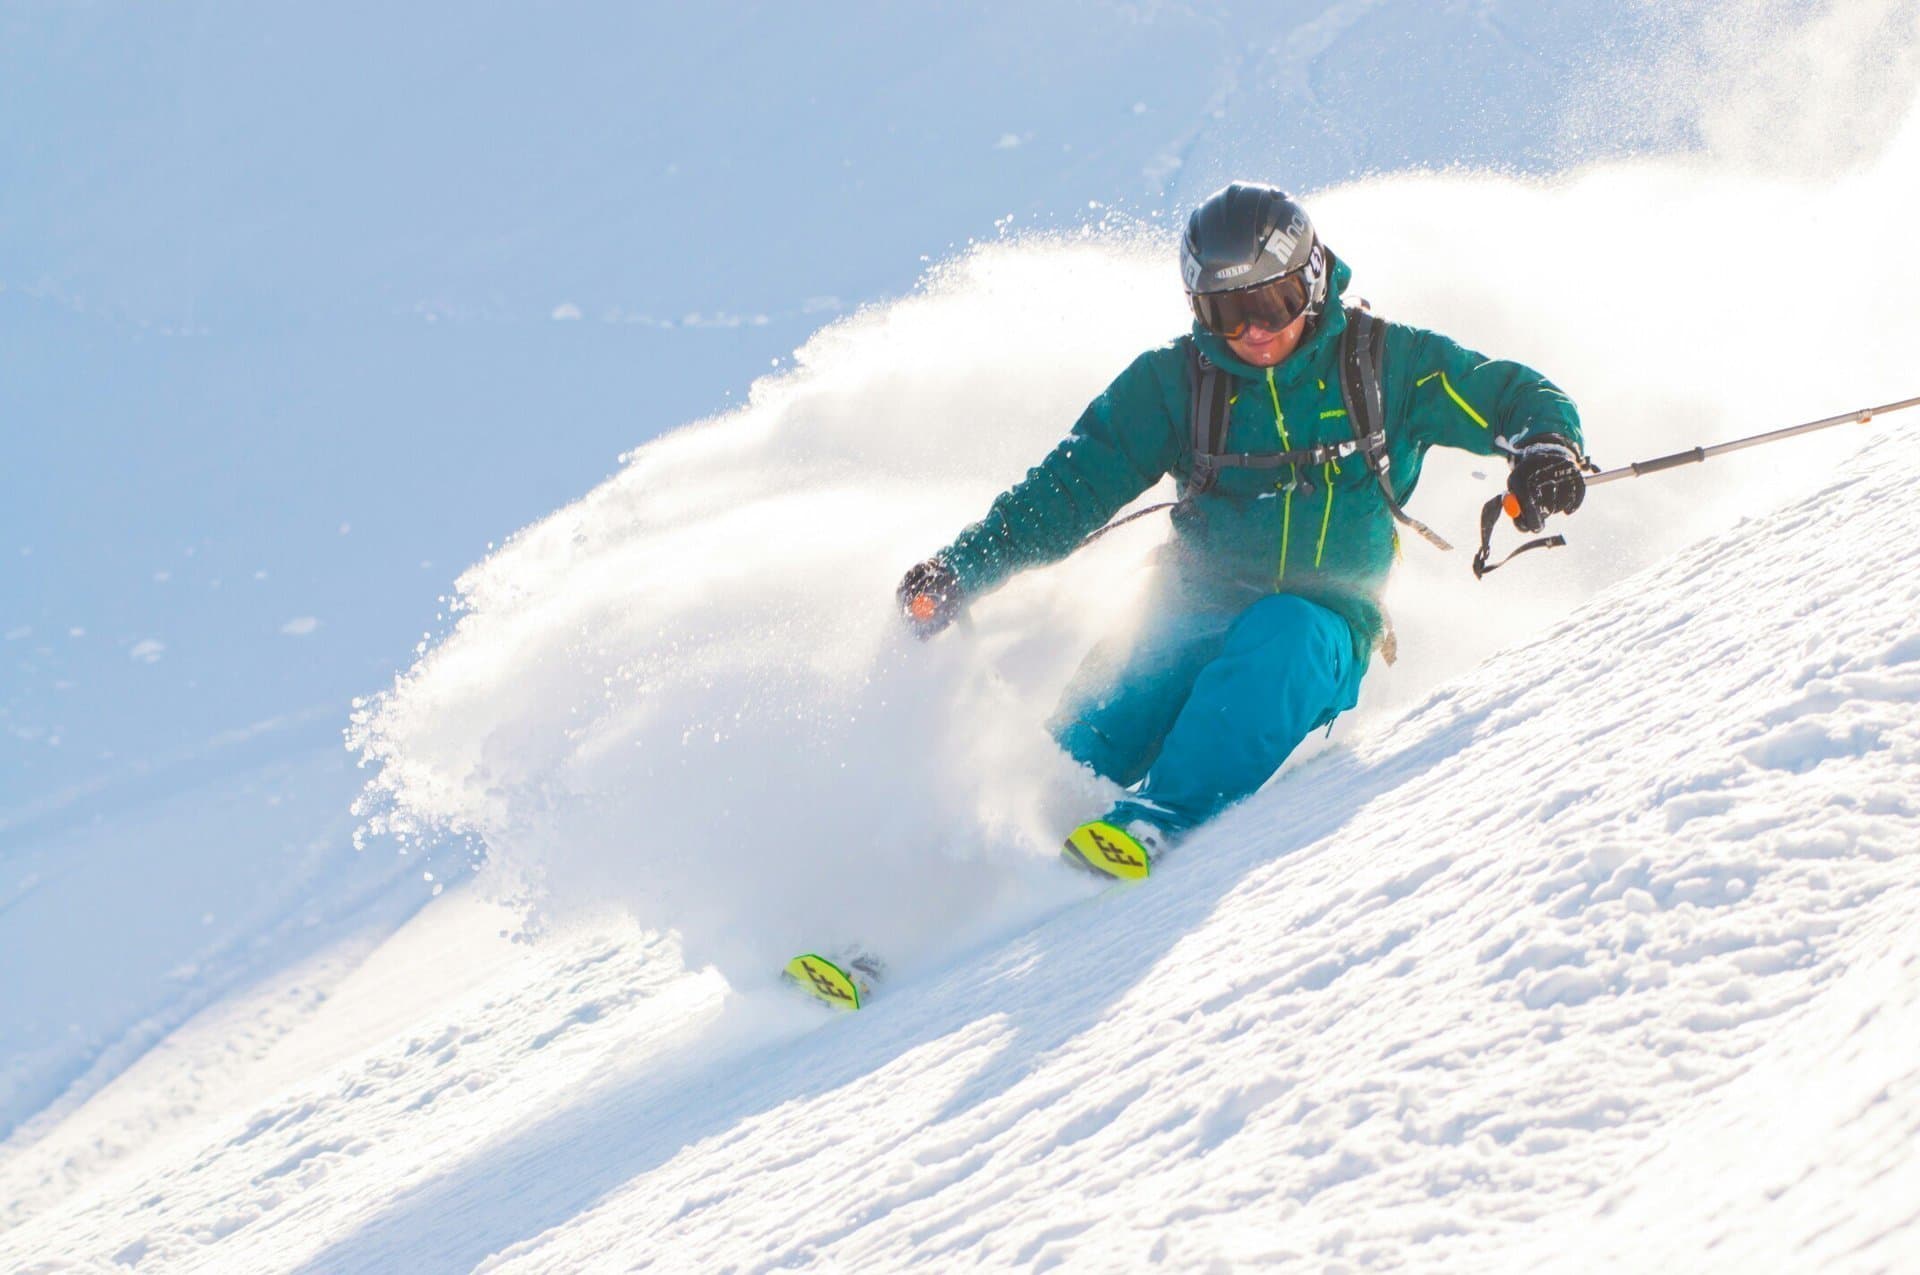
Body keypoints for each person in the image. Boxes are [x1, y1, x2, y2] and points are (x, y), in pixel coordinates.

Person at [896, 181, 1588, 881]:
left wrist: (1548, 448)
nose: (1253, 329)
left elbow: (1510, 392)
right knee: (1082, 742)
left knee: (1279, 636)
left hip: (1323, 628)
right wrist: (963, 568)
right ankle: (929, 907)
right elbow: (1068, 488)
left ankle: (1157, 820)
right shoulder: (1174, 384)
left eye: (1272, 303)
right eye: (1226, 311)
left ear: (1313, 282)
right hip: (1187, 610)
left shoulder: (1386, 365)